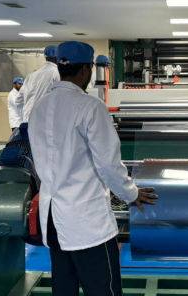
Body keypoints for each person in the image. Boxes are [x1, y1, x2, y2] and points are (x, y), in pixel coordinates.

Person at [28, 41, 157, 296]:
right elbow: (109, 164)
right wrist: (131, 194)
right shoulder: (90, 107)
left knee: (64, 288)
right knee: (103, 289)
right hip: (86, 224)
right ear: (86, 70)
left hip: (52, 219)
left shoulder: (39, 108)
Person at [16, 45, 60, 123]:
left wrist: (23, 117)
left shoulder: (31, 75)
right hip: (44, 121)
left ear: (45, 57)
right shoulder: (57, 74)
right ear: (58, 57)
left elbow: (19, 100)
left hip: (27, 120)